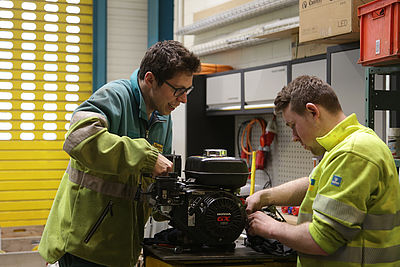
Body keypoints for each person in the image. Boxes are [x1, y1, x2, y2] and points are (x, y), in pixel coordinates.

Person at [38, 40, 201, 267]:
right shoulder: (115, 96)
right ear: (150, 79)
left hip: (121, 248)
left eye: (188, 90)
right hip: (83, 245)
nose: (183, 99)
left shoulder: (163, 117)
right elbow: (80, 138)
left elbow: (152, 180)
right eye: (178, 90)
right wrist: (145, 157)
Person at [246, 75, 400, 266]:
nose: (294, 136)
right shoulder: (346, 145)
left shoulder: (353, 152)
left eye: (293, 126)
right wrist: (265, 197)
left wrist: (271, 227)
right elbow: (314, 185)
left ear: (312, 112)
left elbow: (321, 239)